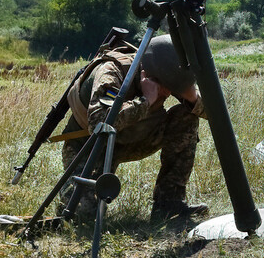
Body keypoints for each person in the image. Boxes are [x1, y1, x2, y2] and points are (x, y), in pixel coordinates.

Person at [59, 34, 209, 223]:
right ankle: (69, 197)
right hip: (92, 146)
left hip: (134, 139)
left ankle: (169, 204)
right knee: (84, 216)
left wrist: (193, 99)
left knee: (186, 116)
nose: (169, 93)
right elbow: (99, 123)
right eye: (165, 87)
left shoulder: (168, 74)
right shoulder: (113, 72)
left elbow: (216, 114)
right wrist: (145, 101)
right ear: (149, 74)